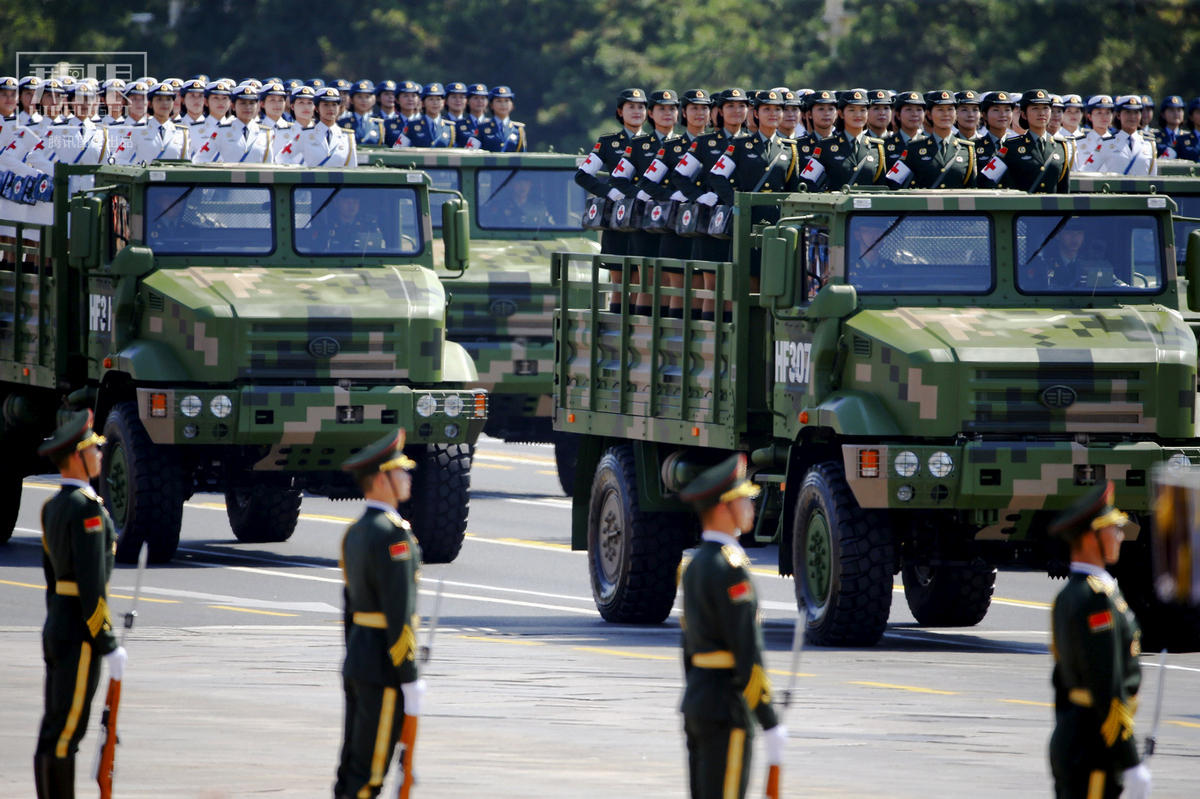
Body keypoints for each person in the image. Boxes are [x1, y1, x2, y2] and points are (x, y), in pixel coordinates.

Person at [678, 453, 785, 799]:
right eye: (744, 499)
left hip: (697, 701)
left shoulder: (694, 566)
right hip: (726, 707)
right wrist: (768, 719)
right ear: (724, 507)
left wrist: (698, 691)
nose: (751, 506)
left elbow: (688, 646)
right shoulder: (731, 568)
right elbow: (746, 650)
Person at [33, 410, 126, 799]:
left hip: (58, 626)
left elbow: (52, 581)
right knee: (67, 733)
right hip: (78, 635)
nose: (101, 456)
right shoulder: (87, 509)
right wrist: (107, 641)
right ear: (77, 456)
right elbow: (91, 586)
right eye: (95, 449)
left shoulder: (53, 506)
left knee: (54, 727)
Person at [333, 429, 424, 799]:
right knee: (370, 776)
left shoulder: (354, 533)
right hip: (385, 666)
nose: (407, 478)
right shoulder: (392, 536)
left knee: (352, 766)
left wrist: (355, 652)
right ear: (382, 479)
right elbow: (399, 612)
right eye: (400, 472)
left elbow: (349, 608)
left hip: (359, 659)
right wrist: (409, 675)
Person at [1047, 481, 1151, 799]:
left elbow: (1060, 683)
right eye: (1113, 528)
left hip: (1076, 735)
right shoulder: (1096, 599)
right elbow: (1107, 685)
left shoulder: (1070, 594)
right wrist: (1130, 761)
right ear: (1091, 536)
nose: (1120, 535)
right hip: (1095, 746)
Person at [884, 90, 974, 189]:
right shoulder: (914, 148)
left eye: (950, 109)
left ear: (956, 114)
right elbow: (893, 180)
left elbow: (974, 187)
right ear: (929, 115)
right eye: (940, 109)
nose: (946, 114)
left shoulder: (967, 149)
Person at [802, 88, 885, 191]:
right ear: (841, 114)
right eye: (851, 110)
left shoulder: (877, 148)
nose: (858, 115)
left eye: (862, 110)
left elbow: (883, 187)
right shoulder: (826, 146)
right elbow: (806, 181)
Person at [994, 89, 1070, 192]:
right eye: (1035, 108)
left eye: (1046, 108)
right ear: (1024, 115)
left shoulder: (1061, 147)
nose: (1041, 113)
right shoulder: (1010, 146)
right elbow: (989, 177)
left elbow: (1064, 189)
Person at [191, 82, 272, 164]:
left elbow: (270, 166)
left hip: (256, 176)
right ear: (233, 106)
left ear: (257, 105)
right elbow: (200, 158)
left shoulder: (266, 133)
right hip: (229, 176)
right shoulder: (222, 131)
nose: (248, 107)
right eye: (242, 103)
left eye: (251, 103)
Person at [1094, 95, 1157, 175]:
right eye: (1128, 112)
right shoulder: (1105, 143)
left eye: (1136, 112)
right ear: (1118, 115)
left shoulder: (1149, 144)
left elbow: (1153, 176)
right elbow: (1087, 170)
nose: (1132, 117)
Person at [975, 90, 1017, 188]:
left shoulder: (1020, 144)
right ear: (984, 115)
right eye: (996, 110)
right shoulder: (974, 146)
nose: (1002, 114)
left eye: (1007, 110)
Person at [397, 83, 454, 148]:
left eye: (438, 99)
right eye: (431, 99)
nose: (435, 103)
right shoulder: (411, 125)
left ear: (443, 103)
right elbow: (397, 148)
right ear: (423, 103)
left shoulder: (450, 127)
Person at [477, 85, 526, 152]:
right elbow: (471, 153)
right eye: (499, 101)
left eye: (506, 101)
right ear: (491, 105)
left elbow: (522, 155)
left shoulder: (518, 130)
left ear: (512, 105)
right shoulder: (481, 128)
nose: (503, 104)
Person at [338, 80, 384, 146]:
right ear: (351, 100)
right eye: (359, 97)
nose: (364, 100)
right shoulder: (342, 123)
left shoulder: (378, 124)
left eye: (367, 97)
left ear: (373, 100)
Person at [1155, 95, 1196, 160]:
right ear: (1163, 114)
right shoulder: (1155, 137)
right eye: (1171, 110)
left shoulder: (1189, 137)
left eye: (1179, 110)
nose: (1176, 113)